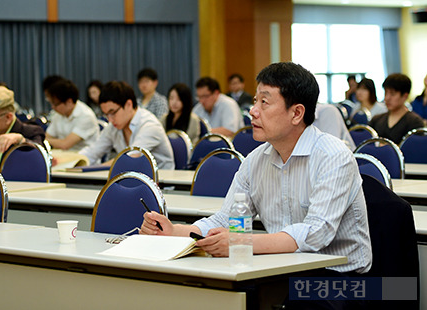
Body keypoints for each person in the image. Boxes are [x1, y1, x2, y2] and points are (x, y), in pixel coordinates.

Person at [142, 63, 372, 305]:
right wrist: (175, 231)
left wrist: (240, 242)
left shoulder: (332, 155)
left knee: (291, 301)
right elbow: (225, 220)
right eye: (254, 101)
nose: (252, 111)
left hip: (345, 281)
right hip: (284, 270)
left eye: (264, 102)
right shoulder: (255, 160)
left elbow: (315, 234)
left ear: (296, 113)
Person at [79, 81, 174, 169]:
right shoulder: (114, 127)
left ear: (128, 104)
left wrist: (98, 167)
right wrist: (73, 161)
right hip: (131, 180)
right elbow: (93, 151)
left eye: (113, 112)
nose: (110, 120)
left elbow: (130, 158)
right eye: (106, 114)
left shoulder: (150, 125)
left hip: (160, 184)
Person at [369, 73, 425, 144]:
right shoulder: (376, 120)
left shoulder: (414, 122)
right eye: (386, 93)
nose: (387, 98)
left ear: (405, 96)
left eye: (392, 94)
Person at [44, 79, 99, 151]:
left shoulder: (86, 116)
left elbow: (65, 144)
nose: (53, 107)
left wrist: (46, 141)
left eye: (55, 104)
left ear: (69, 102)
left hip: (83, 158)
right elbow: (47, 136)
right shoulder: (58, 114)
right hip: (64, 155)